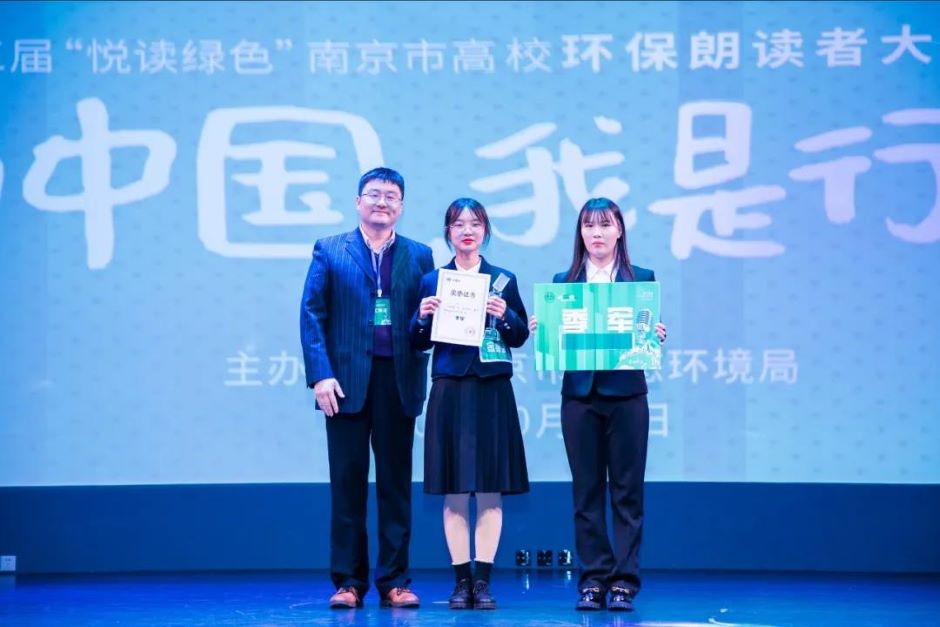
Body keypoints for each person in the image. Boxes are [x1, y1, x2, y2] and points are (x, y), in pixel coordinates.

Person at [300, 167, 434, 609]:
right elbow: (312, 314)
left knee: (396, 486)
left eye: (391, 196)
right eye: (374, 194)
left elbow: (423, 323)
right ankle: (348, 583)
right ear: (358, 202)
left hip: (398, 380)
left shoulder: (420, 255)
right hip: (343, 383)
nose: (382, 202)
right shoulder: (330, 249)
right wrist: (320, 375)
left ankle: (394, 581)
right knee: (347, 485)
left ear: (401, 206)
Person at [529, 197, 667, 612]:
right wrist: (544, 329)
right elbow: (557, 341)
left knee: (627, 493)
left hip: (627, 397)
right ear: (581, 234)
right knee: (586, 492)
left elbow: (644, 332)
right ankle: (593, 580)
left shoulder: (640, 281)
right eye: (589, 226)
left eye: (605, 225)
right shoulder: (564, 283)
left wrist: (654, 333)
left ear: (619, 230)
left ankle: (624, 582)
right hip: (580, 398)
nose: (597, 233)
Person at [409, 198, 530, 611]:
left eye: (475, 223)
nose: (467, 230)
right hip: (450, 388)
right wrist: (422, 317)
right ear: (448, 232)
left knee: (491, 488)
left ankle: (484, 581)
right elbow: (417, 340)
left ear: (485, 231)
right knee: (456, 489)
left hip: (492, 389)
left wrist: (506, 313)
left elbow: (519, 336)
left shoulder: (503, 280)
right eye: (458, 224)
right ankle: (462, 582)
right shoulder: (432, 280)